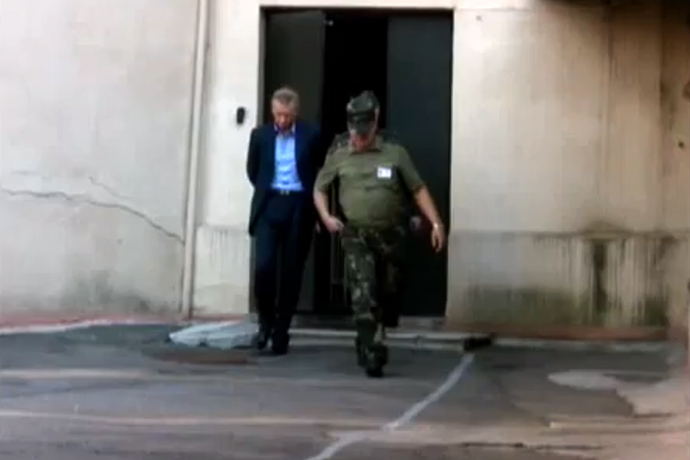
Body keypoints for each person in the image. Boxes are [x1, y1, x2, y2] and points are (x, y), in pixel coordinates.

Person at [313, 91, 446, 377]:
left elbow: (417, 188)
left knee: (387, 291)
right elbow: (320, 188)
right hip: (356, 234)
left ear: (375, 125)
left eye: (365, 133)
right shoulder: (339, 153)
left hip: (391, 235)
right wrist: (326, 217)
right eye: (355, 133)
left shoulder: (394, 151)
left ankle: (371, 333)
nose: (360, 138)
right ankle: (373, 353)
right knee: (364, 292)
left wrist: (436, 223)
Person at [246, 87, 324, 355]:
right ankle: (265, 323)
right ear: (272, 112)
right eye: (278, 115)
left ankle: (281, 332)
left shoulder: (312, 135)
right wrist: (269, 189)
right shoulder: (260, 136)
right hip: (269, 205)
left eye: (287, 116)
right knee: (264, 269)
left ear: (296, 114)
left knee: (291, 272)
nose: (282, 121)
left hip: (298, 205)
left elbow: (319, 171)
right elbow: (253, 171)